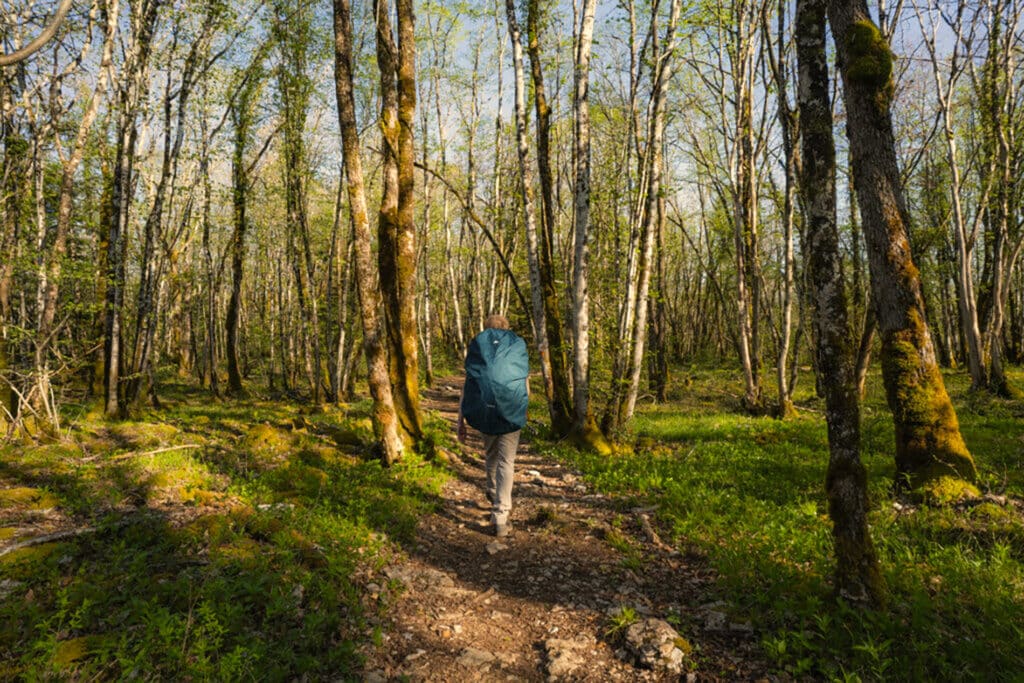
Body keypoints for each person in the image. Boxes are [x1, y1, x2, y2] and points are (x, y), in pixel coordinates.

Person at [457, 314, 528, 538]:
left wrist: (461, 421)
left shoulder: (480, 351)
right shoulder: (515, 350)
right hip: (510, 412)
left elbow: (468, 388)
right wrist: (520, 409)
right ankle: (500, 515)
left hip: (484, 412)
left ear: (486, 329)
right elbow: (526, 386)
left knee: (491, 457)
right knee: (507, 462)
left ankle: (492, 491)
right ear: (507, 328)